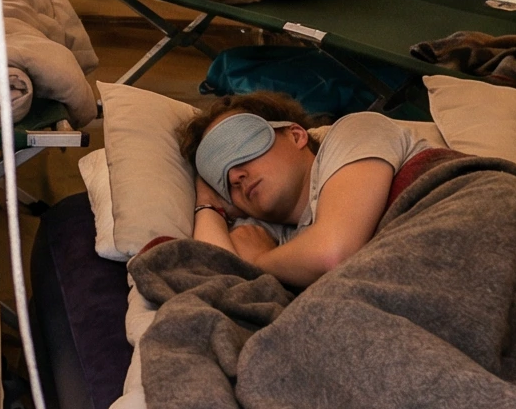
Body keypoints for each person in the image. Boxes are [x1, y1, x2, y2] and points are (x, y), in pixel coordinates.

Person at [187, 92, 438, 288]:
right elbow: (219, 274)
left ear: (296, 135)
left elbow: (332, 253)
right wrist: (207, 204)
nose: (234, 176)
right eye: (220, 178)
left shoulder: (356, 131)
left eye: (240, 147)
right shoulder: (269, 236)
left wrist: (260, 259)